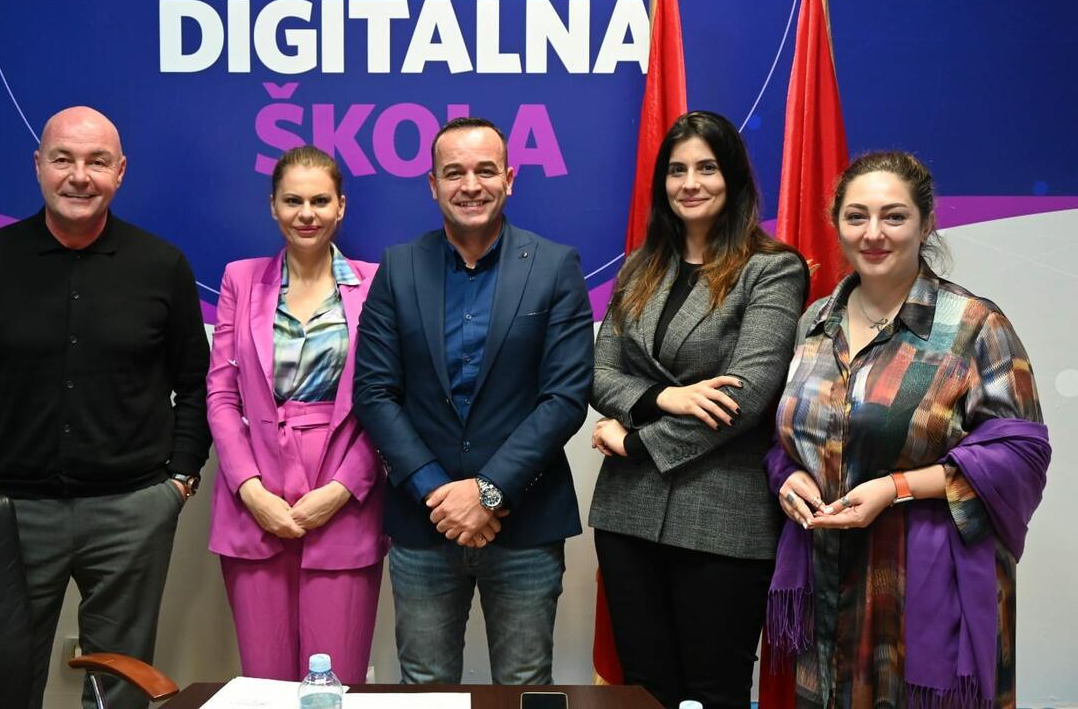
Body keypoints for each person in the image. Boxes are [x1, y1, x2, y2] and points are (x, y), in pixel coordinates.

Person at [0, 106, 211, 709]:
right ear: (38, 165)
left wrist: (180, 480)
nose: (79, 176)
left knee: (120, 690)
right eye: (63, 159)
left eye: (97, 162)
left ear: (120, 172)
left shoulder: (162, 266)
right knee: (1, 681)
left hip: (133, 511)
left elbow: (196, 384)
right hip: (14, 513)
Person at [766, 151, 1049, 709]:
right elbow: (786, 434)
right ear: (836, 223)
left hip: (924, 587)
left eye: (894, 216)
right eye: (857, 216)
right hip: (826, 580)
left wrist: (895, 488)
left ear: (926, 223)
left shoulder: (975, 326)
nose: (873, 233)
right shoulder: (813, 322)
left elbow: (1020, 455)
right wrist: (787, 476)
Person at [353, 116, 593, 685]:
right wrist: (439, 493)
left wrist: (487, 492)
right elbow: (375, 391)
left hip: (526, 519)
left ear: (509, 178)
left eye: (486, 170)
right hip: (424, 521)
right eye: (454, 172)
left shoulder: (555, 265)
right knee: (424, 687)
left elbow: (564, 397)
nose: (471, 185)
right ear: (432, 184)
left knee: (525, 685)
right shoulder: (398, 267)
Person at [587, 111, 808, 709]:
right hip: (628, 515)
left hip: (723, 516)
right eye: (677, 170)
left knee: (715, 692)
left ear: (732, 177)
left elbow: (747, 394)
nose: (690, 183)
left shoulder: (772, 269)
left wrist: (636, 441)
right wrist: (666, 397)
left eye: (706, 168)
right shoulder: (639, 266)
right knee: (644, 690)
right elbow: (598, 374)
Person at [205, 145, 386, 682]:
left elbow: (388, 399)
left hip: (344, 498)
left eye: (320, 200)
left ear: (341, 206)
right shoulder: (241, 279)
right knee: (265, 680)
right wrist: (251, 491)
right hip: (254, 498)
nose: (306, 213)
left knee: (336, 680)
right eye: (292, 200)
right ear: (273, 206)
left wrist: (342, 490)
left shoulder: (377, 283)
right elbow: (221, 394)